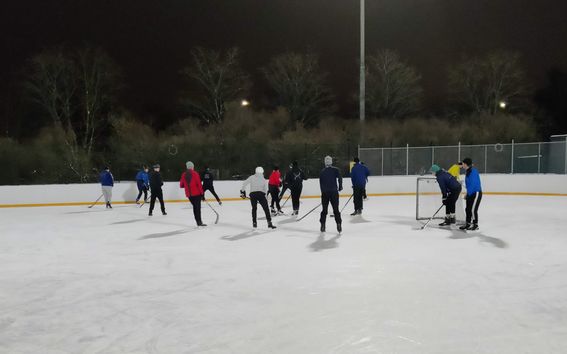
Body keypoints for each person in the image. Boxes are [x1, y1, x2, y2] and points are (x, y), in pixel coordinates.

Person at [319, 155, 343, 233]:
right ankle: (338, 223)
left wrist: (323, 192)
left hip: (325, 193)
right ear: (331, 162)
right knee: (336, 209)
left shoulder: (322, 171)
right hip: (334, 192)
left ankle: (323, 224)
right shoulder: (336, 170)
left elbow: (321, 183)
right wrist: (340, 186)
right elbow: (340, 178)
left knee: (324, 210)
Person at [180, 161, 206, 226]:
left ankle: (198, 221)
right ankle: (199, 222)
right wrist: (202, 194)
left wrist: (186, 185)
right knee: (197, 208)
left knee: (195, 207)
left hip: (189, 195)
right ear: (192, 167)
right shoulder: (195, 173)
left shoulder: (183, 174)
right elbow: (199, 184)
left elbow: (181, 185)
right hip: (197, 194)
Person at [460, 158, 482, 231]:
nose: (462, 165)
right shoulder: (468, 171)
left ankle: (475, 225)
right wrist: (467, 193)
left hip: (476, 192)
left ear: (466, 164)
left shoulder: (473, 171)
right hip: (471, 192)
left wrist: (468, 193)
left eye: (463, 163)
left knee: (473, 210)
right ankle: (468, 223)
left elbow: (473, 184)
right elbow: (469, 185)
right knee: (468, 209)